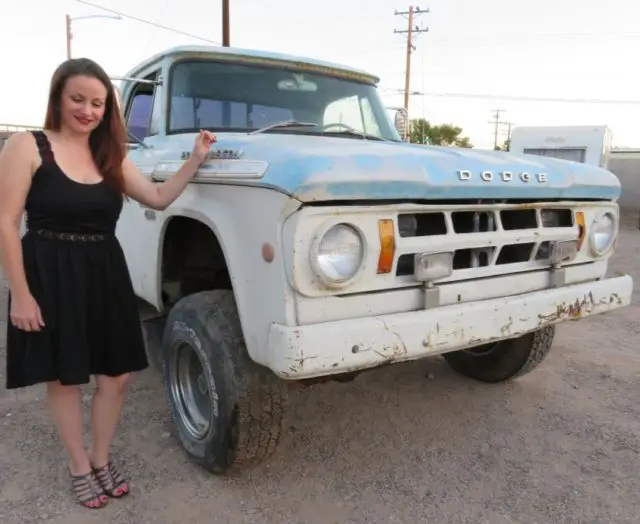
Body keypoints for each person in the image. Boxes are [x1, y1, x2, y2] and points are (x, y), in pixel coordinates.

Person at [0, 57, 216, 509]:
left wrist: (195, 159)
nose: (87, 110)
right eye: (78, 99)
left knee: (115, 376)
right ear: (58, 97)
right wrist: (19, 293)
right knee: (64, 376)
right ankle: (79, 465)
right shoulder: (27, 145)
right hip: (49, 271)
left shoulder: (110, 155)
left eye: (98, 103)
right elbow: (6, 220)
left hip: (103, 270)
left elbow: (157, 197)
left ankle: (100, 457)